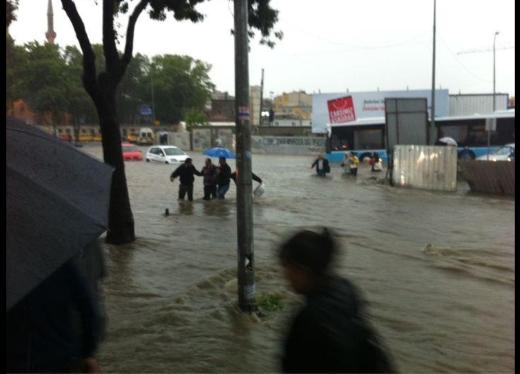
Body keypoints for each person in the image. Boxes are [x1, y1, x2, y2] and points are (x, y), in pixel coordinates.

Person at [278, 228, 396, 373]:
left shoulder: (309, 319)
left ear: (302, 271)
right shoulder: (346, 289)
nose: (285, 275)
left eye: (287, 267)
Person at [6, 259, 103, 373]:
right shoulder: (62, 264)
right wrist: (88, 353)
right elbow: (89, 310)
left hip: (15, 360)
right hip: (59, 357)